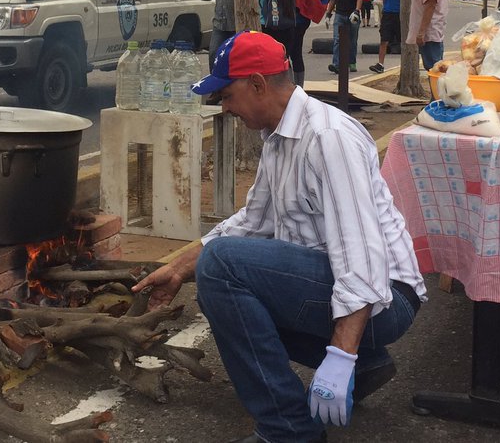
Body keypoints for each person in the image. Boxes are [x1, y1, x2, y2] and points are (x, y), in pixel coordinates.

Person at [132, 31, 425, 443]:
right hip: (347, 286)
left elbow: (359, 253)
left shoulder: (327, 138)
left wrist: (339, 357)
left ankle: (287, 429)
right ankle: (367, 365)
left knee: (222, 268)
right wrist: (179, 268)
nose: (225, 107)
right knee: (226, 290)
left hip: (384, 299)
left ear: (257, 83)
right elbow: (253, 221)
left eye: (227, 95)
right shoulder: (279, 138)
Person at [325, 0, 363, 74]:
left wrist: (356, 11)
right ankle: (336, 64)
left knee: (352, 40)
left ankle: (352, 62)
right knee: (337, 40)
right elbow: (332, 0)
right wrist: (328, 14)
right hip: (339, 15)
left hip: (352, 15)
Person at [369, 0, 400, 74]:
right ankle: (380, 64)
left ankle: (405, 65)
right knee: (384, 39)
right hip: (387, 13)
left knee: (403, 40)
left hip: (399, 14)